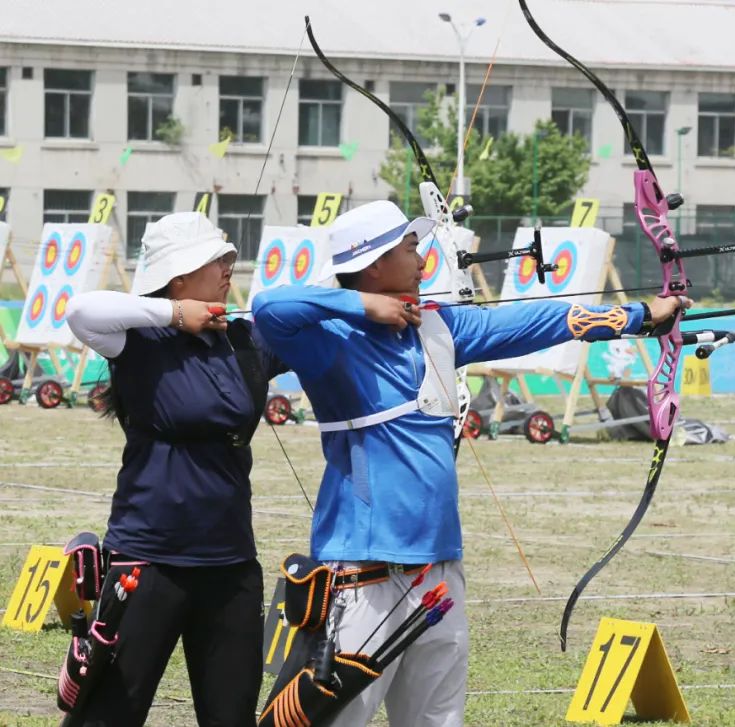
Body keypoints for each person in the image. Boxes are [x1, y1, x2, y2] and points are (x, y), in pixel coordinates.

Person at [252, 200, 686, 726]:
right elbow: (271, 306)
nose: (422, 257)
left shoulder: (440, 329)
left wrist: (639, 315)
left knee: (438, 718)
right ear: (372, 264)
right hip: (363, 570)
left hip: (438, 567)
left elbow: (535, 322)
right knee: (340, 718)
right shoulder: (332, 344)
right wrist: (365, 305)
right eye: (409, 248)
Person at [65, 211, 287, 726]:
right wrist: (172, 314)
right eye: (217, 259)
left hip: (230, 564)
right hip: (147, 559)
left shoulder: (241, 339)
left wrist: (369, 302)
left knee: (231, 718)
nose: (230, 265)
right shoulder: (139, 340)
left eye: (230, 257)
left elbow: (301, 310)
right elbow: (80, 309)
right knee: (108, 715)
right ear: (180, 276)